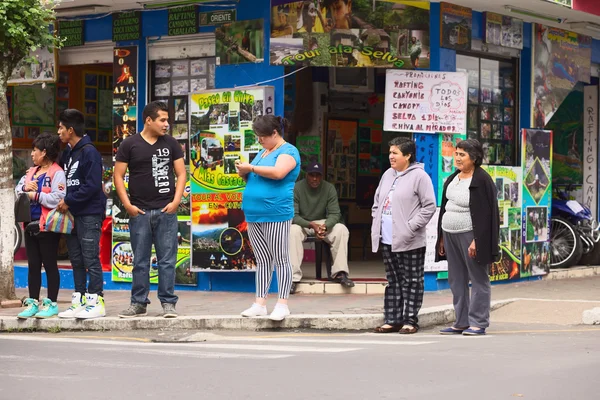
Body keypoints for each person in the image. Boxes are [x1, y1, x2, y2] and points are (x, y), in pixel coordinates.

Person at [114, 101, 187, 319]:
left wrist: (175, 202)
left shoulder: (171, 143)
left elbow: (181, 174)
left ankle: (168, 304)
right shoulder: (129, 144)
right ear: (148, 120)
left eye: (167, 120)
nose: (166, 124)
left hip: (166, 211)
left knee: (167, 261)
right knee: (140, 261)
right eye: (162, 120)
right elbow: (118, 175)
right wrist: (128, 205)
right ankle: (138, 303)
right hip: (140, 212)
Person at [235, 115, 300, 321]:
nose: (260, 140)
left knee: (280, 258)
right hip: (255, 213)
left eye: (262, 136)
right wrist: (245, 172)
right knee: (262, 259)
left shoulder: (288, 151)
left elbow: (278, 173)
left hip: (276, 212)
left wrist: (251, 168)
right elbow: (256, 175)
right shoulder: (264, 153)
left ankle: (282, 303)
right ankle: (260, 303)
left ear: (274, 133)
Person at [371, 138, 436, 334]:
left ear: (407, 156)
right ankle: (392, 319)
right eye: (390, 152)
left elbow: (429, 206)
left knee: (412, 281)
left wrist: (410, 227)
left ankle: (410, 320)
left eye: (395, 153)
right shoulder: (387, 175)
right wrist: (377, 221)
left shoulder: (419, 176)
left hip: (410, 240)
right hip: (387, 238)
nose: (391, 156)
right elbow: (377, 202)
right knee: (393, 281)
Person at [436, 139, 500, 336]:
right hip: (450, 234)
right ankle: (461, 321)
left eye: (462, 155)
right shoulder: (453, 178)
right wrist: (441, 237)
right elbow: (445, 206)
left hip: (470, 235)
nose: (457, 158)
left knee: (478, 278)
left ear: (474, 157)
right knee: (457, 279)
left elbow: (489, 215)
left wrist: (478, 240)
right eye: (456, 154)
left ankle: (478, 322)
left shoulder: (482, 180)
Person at [56, 109, 107, 319]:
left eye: (61, 128)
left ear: (70, 129)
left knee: (90, 258)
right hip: (72, 214)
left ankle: (97, 301)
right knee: (76, 259)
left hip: (89, 213)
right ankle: (79, 299)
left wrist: (68, 201)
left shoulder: (89, 152)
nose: (58, 132)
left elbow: (93, 185)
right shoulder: (69, 152)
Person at [16, 133, 66, 319]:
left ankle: (51, 303)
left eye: (35, 150)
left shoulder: (57, 172)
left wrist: (35, 195)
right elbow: (18, 189)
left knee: (50, 264)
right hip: (30, 225)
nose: (32, 154)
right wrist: (24, 189)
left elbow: (57, 198)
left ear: (44, 152)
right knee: (33, 265)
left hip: (47, 226)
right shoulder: (31, 172)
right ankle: (32, 302)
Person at [290, 163, 354, 294]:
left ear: (322, 176)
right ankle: (293, 278)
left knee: (341, 229)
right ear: (306, 175)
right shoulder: (297, 188)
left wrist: (325, 226)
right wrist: (311, 225)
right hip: (302, 223)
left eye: (318, 175)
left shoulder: (329, 188)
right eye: (311, 175)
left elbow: (335, 214)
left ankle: (340, 273)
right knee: (292, 231)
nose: (315, 179)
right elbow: (293, 216)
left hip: (322, 222)